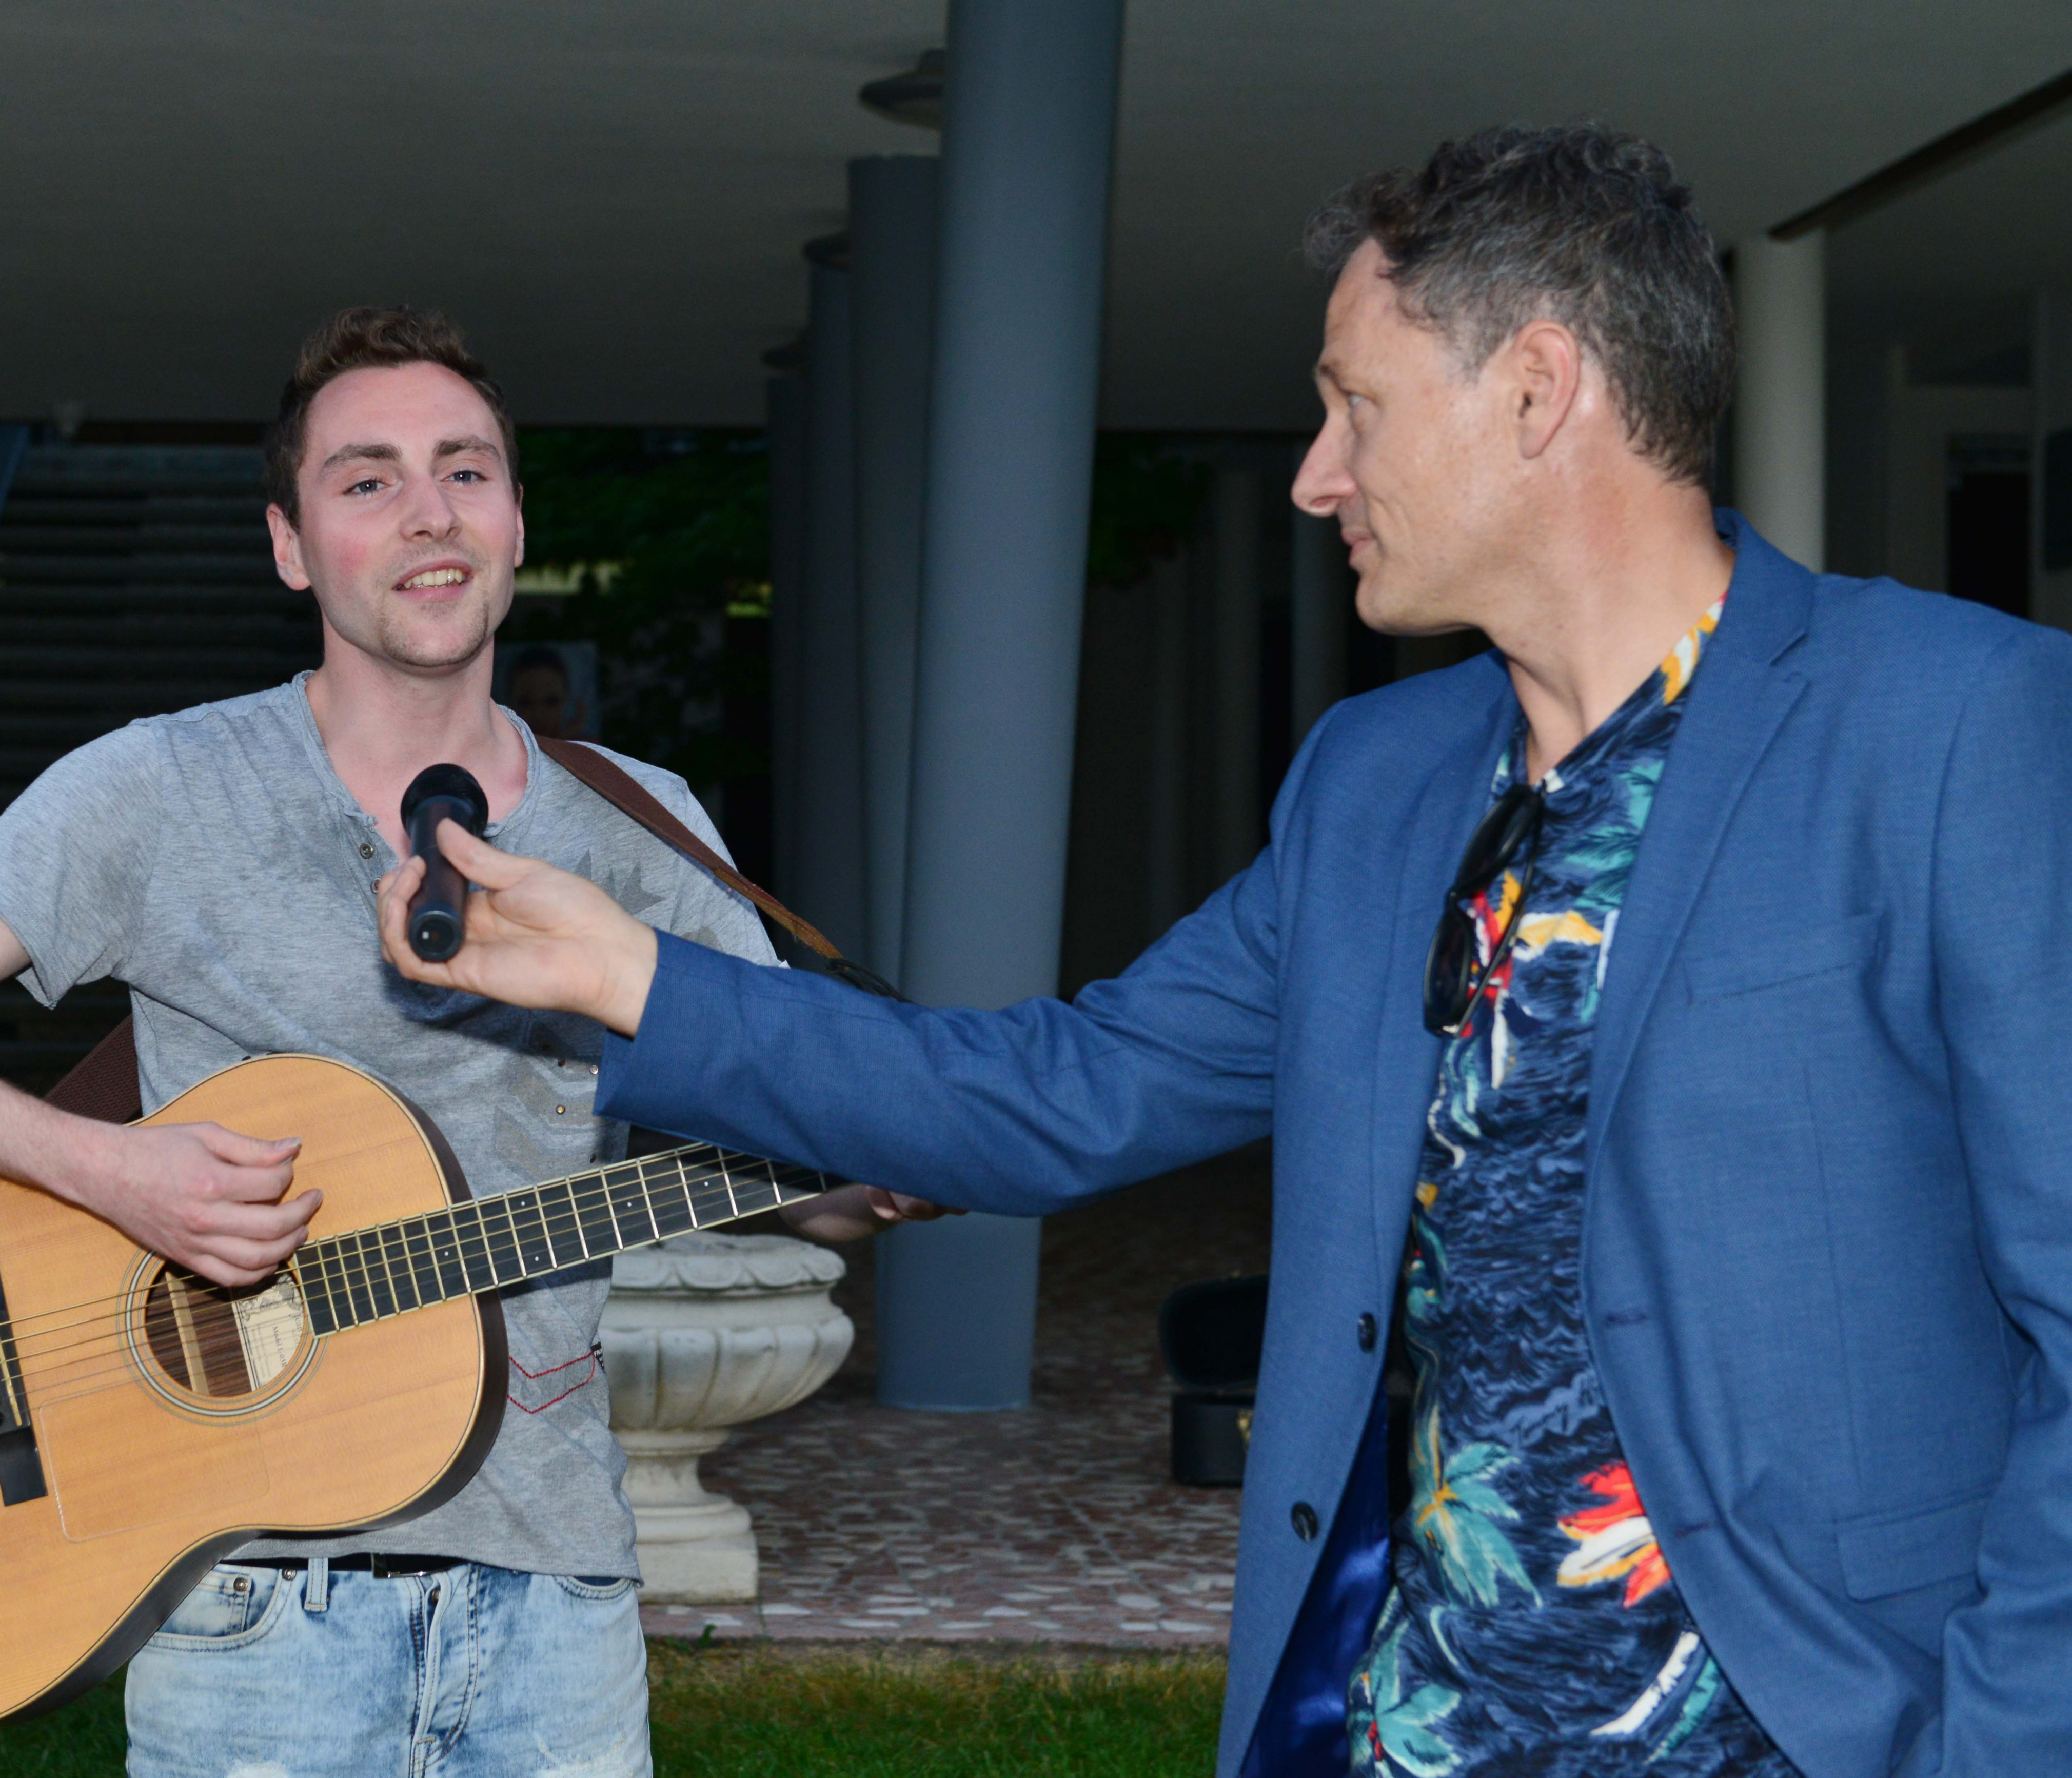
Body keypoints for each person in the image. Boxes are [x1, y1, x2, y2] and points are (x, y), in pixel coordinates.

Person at [377, 126, 2072, 1778]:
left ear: (1539, 389)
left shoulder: (1954, 727)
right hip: (1408, 1725)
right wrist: (631, 976)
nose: (1317, 474)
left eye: (1356, 407)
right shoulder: (1377, 781)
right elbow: (1058, 1091)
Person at [0, 305, 934, 1778]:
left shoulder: (644, 831)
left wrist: (883, 1170)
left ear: (517, 521)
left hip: (558, 1613)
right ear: (290, 544)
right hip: (248, 1618)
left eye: (466, 469)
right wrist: (106, 1172)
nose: (429, 511)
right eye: (368, 479)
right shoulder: (158, 788)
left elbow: (787, 1158)